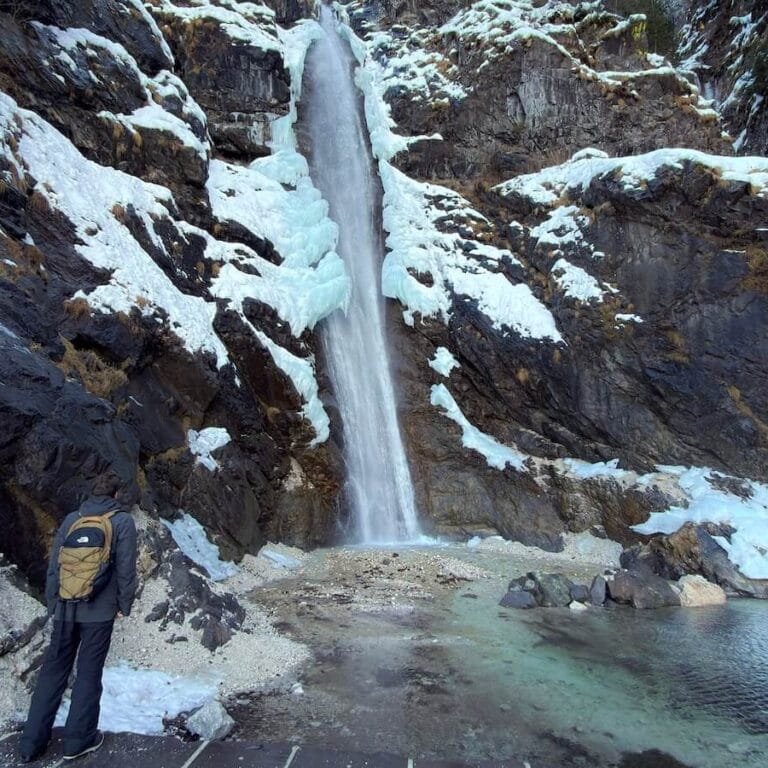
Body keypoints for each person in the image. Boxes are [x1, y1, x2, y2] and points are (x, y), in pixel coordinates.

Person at [19, 476, 138, 763]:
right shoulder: (122, 522)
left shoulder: (73, 519)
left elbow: (55, 564)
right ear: (116, 494)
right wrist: (124, 604)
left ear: (90, 494)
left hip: (64, 608)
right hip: (99, 612)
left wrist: (53, 603)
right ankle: (78, 740)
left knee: (52, 672)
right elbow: (126, 569)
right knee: (88, 673)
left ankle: (31, 744)